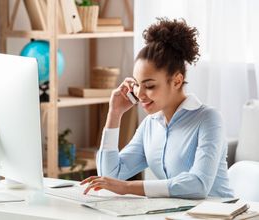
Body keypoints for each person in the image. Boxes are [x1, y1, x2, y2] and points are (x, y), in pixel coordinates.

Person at [81, 18, 234, 199]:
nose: (140, 94)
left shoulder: (208, 119)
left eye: (150, 86)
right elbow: (111, 177)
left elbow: (198, 185)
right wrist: (114, 114)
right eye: (137, 85)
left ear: (177, 81)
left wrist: (128, 187)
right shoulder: (150, 125)